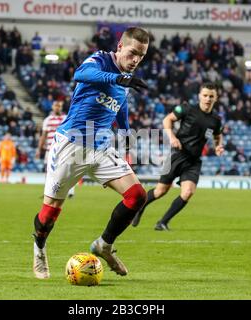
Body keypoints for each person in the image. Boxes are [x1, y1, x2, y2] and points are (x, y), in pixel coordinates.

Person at [32, 26, 150, 279]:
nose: (136, 60)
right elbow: (81, 73)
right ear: (120, 47)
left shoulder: (125, 78)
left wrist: (127, 134)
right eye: (132, 53)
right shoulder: (100, 59)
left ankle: (104, 245)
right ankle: (39, 248)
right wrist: (118, 78)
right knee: (50, 212)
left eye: (141, 56)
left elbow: (120, 105)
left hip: (101, 147)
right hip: (71, 144)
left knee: (137, 196)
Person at [132, 82, 224, 231]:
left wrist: (219, 145)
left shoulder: (215, 120)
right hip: (178, 155)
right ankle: (140, 208)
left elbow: (218, 135)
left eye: (211, 96)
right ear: (200, 96)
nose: (208, 99)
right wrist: (172, 137)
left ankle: (162, 222)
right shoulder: (187, 109)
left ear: (216, 98)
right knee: (160, 191)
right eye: (205, 95)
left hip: (194, 161)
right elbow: (167, 120)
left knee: (188, 192)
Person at [36, 100, 75, 198]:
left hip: (64, 149)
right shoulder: (47, 120)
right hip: (50, 149)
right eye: (56, 105)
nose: (57, 107)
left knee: (68, 169)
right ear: (52, 107)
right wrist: (39, 149)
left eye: (59, 105)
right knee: (49, 170)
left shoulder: (66, 118)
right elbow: (43, 136)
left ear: (61, 107)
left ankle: (70, 191)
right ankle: (48, 192)